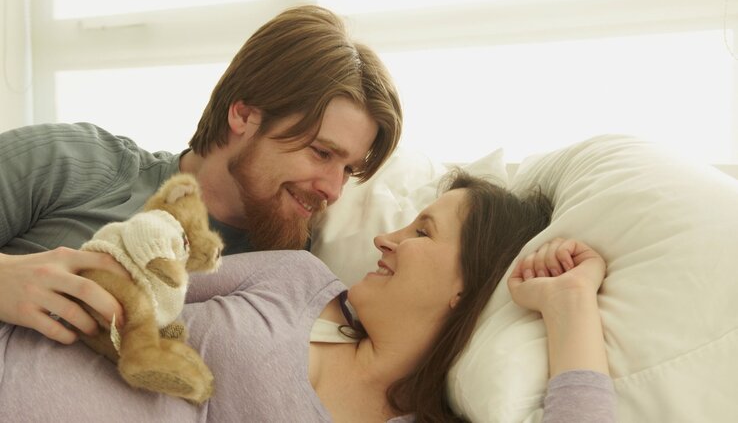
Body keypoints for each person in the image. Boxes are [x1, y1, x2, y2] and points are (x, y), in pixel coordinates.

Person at [0, 171, 615, 422]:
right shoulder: (294, 276)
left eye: (422, 232)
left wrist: (570, 308)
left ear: (467, 285)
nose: (385, 238)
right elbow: (113, 278)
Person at [0, 5, 403, 345]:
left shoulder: (293, 275)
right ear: (243, 114)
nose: (333, 190)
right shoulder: (75, 162)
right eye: (320, 152)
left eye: (348, 170)